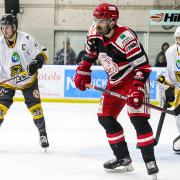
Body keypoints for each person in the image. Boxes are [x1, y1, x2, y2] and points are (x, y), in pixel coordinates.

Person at [74, 3, 159, 179]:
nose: (98, 24)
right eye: (96, 19)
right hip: (114, 81)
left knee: (138, 119)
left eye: (102, 20)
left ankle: (150, 161)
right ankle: (123, 158)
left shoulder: (125, 37)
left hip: (134, 77)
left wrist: (136, 90)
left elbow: (143, 67)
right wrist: (83, 73)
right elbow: (89, 56)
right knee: (105, 117)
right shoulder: (93, 33)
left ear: (113, 21)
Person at [0, 14, 49, 150]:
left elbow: (44, 52)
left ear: (14, 27)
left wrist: (37, 62)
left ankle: (43, 134)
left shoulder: (26, 39)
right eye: (3, 27)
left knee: (36, 109)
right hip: (7, 82)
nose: (5, 30)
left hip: (28, 80)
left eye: (7, 27)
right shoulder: (0, 44)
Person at [157, 26, 180, 153]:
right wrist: (166, 87)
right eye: (177, 38)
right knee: (179, 117)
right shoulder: (171, 52)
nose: (179, 40)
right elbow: (168, 74)